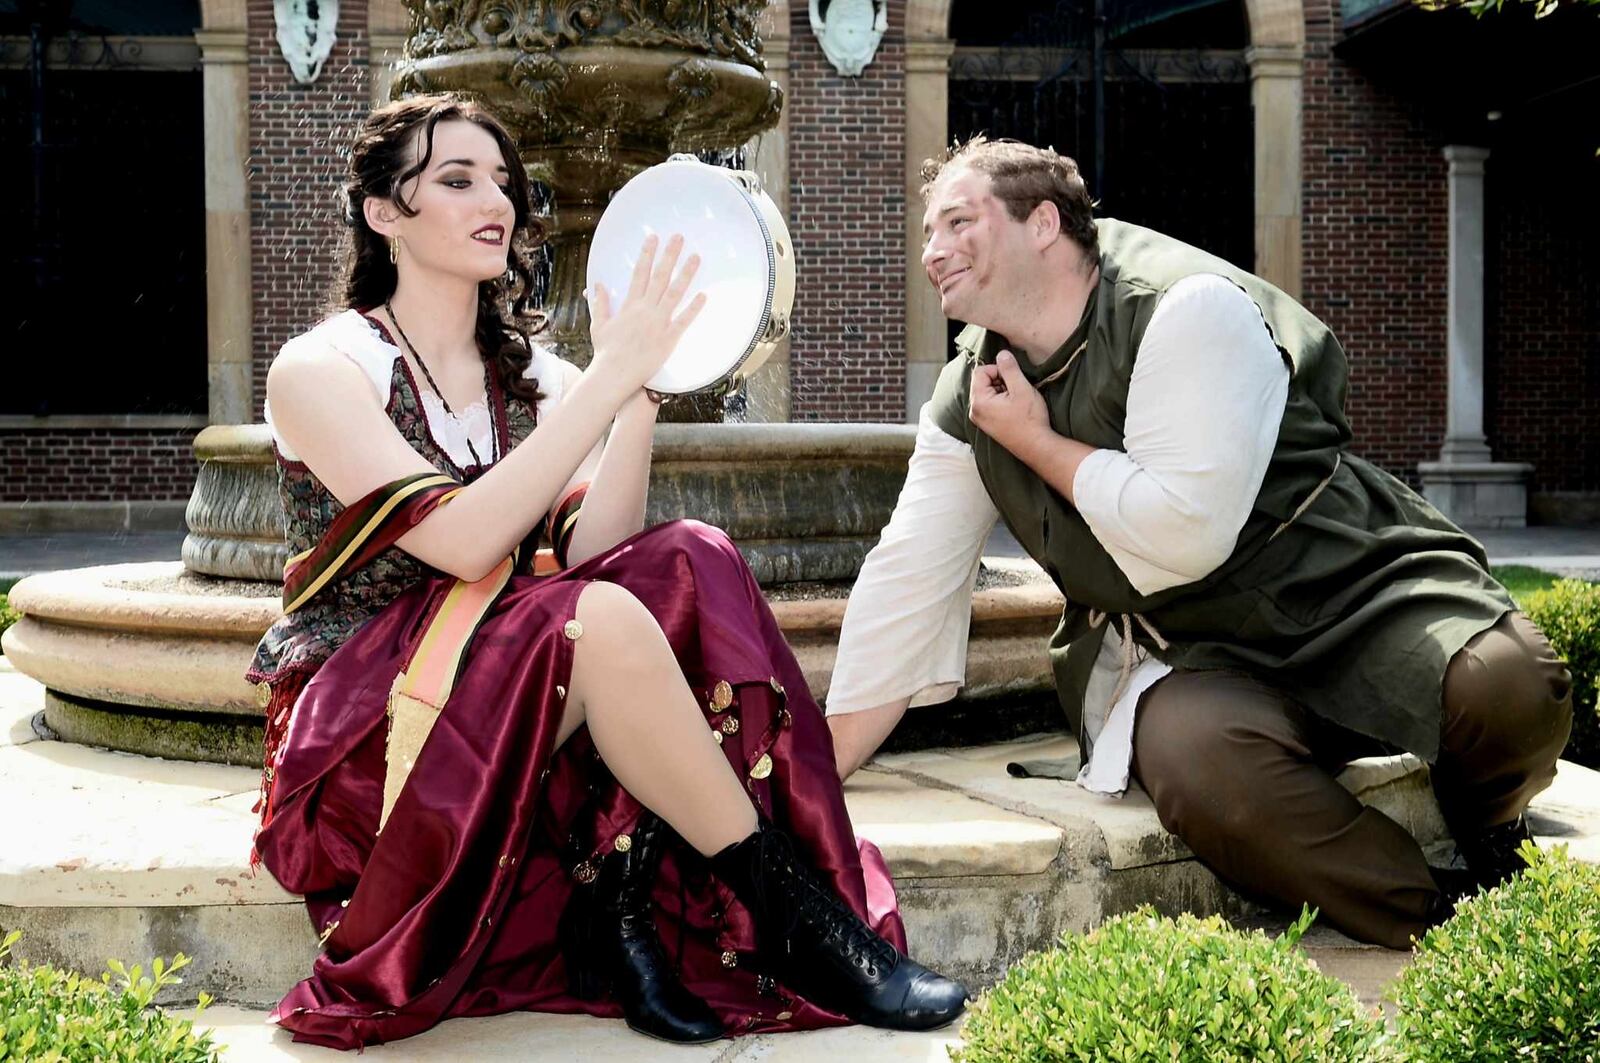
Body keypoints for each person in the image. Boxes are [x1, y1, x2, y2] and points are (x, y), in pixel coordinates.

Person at [247, 93, 967, 1051]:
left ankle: (619, 909)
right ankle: (798, 924)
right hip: (374, 724)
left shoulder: (531, 372)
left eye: (502, 180)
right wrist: (603, 378)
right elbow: (465, 545)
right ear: (384, 213)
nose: (492, 200)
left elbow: (598, 553)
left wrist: (638, 399)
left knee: (688, 558)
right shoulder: (321, 367)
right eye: (456, 181)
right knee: (594, 619)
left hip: (507, 677)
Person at [826, 135, 1573, 951]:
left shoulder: (1186, 306)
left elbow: (1181, 532)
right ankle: (1443, 924)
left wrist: (1038, 444)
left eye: (957, 223)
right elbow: (910, 578)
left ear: (1043, 223)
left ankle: (1490, 831)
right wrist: (822, 766)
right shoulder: (973, 390)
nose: (932, 251)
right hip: (1189, 652)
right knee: (1203, 769)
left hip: (1348, 585)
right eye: (926, 231)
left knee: (1511, 691)